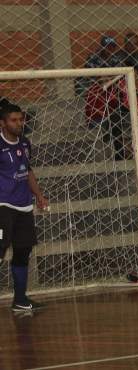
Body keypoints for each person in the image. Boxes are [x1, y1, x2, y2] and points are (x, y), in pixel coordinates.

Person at [0, 104, 49, 312]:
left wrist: (38, 195)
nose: (19, 123)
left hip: (24, 205)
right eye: (14, 120)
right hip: (2, 204)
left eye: (21, 119)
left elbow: (27, 170)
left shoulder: (26, 143)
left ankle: (20, 299)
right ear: (2, 123)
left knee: (22, 252)